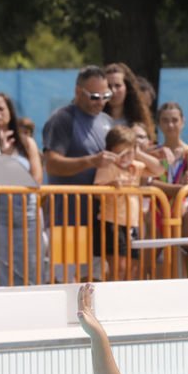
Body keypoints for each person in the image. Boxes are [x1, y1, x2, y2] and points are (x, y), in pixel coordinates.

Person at [42, 66, 116, 262]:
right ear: (78, 92)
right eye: (94, 96)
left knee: (96, 282)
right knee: (67, 280)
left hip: (101, 218)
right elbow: (52, 164)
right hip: (68, 217)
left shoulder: (107, 121)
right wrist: (91, 161)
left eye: (106, 95)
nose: (100, 102)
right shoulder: (63, 119)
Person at [0, 92, 47, 286]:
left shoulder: (26, 142)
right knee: (0, 265)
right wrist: (3, 155)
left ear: (10, 112)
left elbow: (36, 178)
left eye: (1, 108)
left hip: (28, 214)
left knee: (32, 263)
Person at [94, 126, 163, 280]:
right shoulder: (107, 167)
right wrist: (110, 185)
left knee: (133, 267)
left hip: (133, 224)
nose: (124, 158)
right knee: (118, 267)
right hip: (112, 222)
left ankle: (125, 301)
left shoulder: (135, 167)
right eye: (120, 154)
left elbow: (159, 170)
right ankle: (112, 299)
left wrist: (138, 154)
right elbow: (96, 192)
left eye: (128, 153)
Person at [104, 63, 155, 142]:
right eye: (109, 86)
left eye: (118, 85)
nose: (113, 91)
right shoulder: (95, 120)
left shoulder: (139, 121)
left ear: (127, 88)